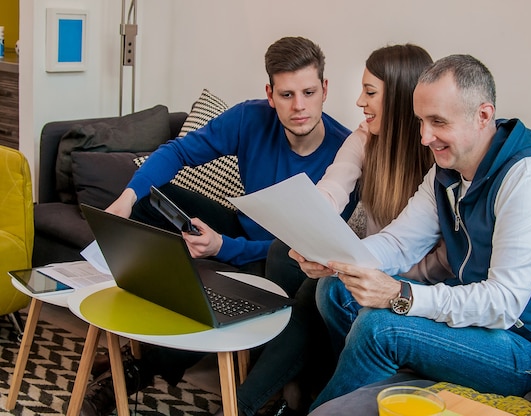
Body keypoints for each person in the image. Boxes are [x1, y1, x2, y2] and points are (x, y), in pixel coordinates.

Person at [296, 54, 531, 411]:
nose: (425, 137)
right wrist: (335, 258)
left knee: (381, 327)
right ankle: (364, 387)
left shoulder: (530, 182)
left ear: (483, 116)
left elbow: (502, 304)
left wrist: (400, 294)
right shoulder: (447, 171)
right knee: (334, 289)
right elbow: (399, 242)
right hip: (483, 327)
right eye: (421, 121)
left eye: (438, 122)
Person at [79, 36, 357, 416]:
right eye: (287, 94)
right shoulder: (250, 117)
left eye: (308, 92)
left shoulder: (345, 156)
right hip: (243, 229)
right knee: (149, 196)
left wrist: (223, 248)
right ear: (270, 93)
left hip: (287, 259)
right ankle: (142, 300)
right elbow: (176, 151)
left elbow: (307, 250)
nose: (299, 106)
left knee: (278, 261)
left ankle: (139, 369)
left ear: (325, 90)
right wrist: (126, 200)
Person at [229, 44, 438, 416]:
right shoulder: (362, 140)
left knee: (322, 288)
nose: (359, 101)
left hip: (411, 280)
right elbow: (331, 189)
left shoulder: (437, 161)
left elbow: (419, 256)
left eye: (370, 92)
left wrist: (344, 264)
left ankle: (245, 405)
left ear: (401, 97)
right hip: (368, 258)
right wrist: (303, 232)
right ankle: (286, 386)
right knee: (283, 252)